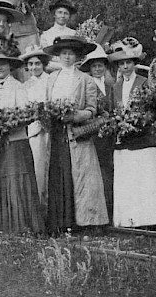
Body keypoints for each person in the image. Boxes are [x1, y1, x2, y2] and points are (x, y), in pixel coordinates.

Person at [0, 43, 45, 233]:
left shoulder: (18, 87)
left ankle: (22, 225)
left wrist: (7, 122)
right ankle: (2, 226)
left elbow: (25, 114)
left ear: (9, 66)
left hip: (15, 143)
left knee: (16, 181)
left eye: (2, 64)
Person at [44, 36, 109, 232]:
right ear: (58, 55)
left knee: (82, 176)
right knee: (58, 173)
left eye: (70, 53)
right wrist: (49, 113)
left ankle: (87, 221)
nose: (66, 57)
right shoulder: (52, 78)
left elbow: (92, 110)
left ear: (77, 57)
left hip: (77, 134)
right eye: (63, 53)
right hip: (56, 133)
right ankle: (61, 222)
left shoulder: (86, 80)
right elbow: (47, 103)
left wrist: (73, 115)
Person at [108, 38, 156, 228]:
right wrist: (120, 124)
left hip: (143, 137)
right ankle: (131, 219)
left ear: (135, 63)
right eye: (122, 63)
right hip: (124, 139)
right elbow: (114, 110)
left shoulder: (144, 83)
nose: (125, 66)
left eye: (128, 62)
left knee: (145, 177)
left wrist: (140, 120)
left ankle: (153, 219)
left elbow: (154, 109)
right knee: (129, 178)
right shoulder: (116, 88)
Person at [80, 43, 115, 222]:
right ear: (90, 68)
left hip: (114, 133)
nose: (98, 69)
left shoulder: (112, 84)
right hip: (96, 133)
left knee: (114, 168)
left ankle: (116, 208)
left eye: (100, 65)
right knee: (102, 170)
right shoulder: (88, 84)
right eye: (94, 66)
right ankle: (104, 209)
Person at [21, 46, 51, 209]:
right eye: (30, 64)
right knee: (37, 169)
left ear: (43, 64)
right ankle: (40, 210)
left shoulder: (51, 80)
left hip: (51, 129)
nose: (34, 67)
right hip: (33, 132)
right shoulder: (25, 86)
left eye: (37, 63)